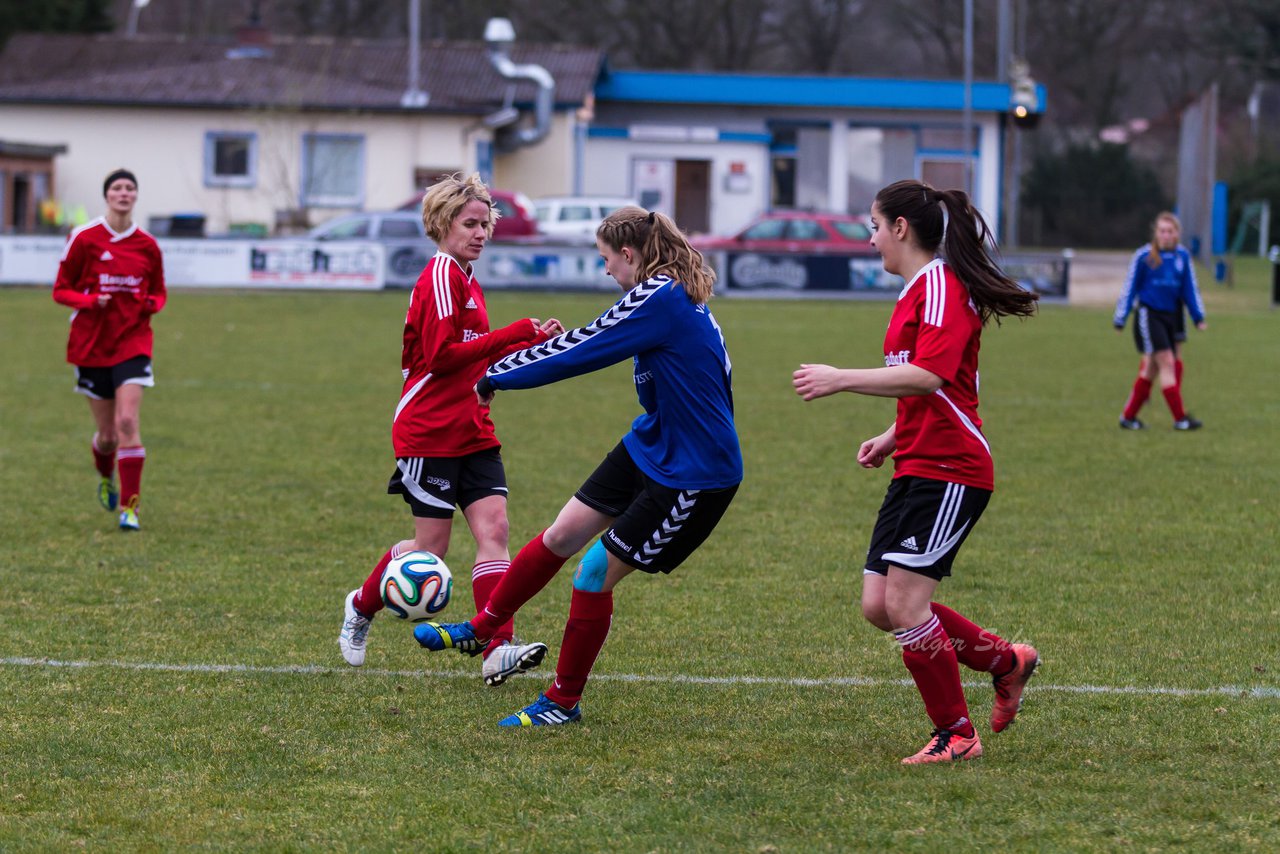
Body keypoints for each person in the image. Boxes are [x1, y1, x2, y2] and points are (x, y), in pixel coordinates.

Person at [413, 206, 742, 727]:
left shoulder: (657, 298)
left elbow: (582, 347)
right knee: (560, 535)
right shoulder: (672, 295)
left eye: (607, 260)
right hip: (653, 444)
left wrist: (497, 375)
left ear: (629, 255)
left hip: (692, 473)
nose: (607, 271)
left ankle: (563, 701)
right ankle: (483, 626)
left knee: (592, 574)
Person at [792, 179, 1040, 765]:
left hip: (953, 467)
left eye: (873, 226)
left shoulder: (941, 289)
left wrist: (840, 377)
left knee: (904, 604)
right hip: (917, 462)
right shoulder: (916, 292)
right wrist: (890, 437)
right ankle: (1006, 662)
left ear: (900, 228)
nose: (871, 238)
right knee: (880, 605)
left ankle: (957, 733)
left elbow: (929, 376)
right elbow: (937, 388)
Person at [337, 173, 564, 687]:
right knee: (430, 549)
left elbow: (475, 354)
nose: (481, 232)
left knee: (495, 532)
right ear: (443, 223)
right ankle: (361, 605)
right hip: (429, 432)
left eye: (486, 224)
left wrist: (532, 346)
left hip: (473, 428)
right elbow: (441, 359)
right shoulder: (440, 275)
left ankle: (497, 648)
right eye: (470, 223)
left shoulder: (466, 276)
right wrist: (512, 333)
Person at [52, 168, 166, 531]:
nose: (124, 193)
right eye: (117, 187)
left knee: (128, 422)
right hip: (91, 343)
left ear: (135, 196)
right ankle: (106, 475)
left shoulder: (147, 244)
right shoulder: (84, 238)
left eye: (130, 188)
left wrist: (150, 302)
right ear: (107, 196)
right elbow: (60, 290)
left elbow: (160, 292)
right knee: (108, 436)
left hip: (132, 340)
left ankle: (130, 509)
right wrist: (88, 301)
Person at [1113, 211, 1206, 430]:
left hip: (1172, 316)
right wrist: (1121, 317)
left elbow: (1189, 289)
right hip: (1149, 315)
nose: (1166, 235)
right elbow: (1130, 288)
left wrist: (1197, 316)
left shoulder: (1182, 256)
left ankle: (1128, 417)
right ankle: (1180, 419)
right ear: (1156, 233)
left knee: (1151, 370)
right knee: (1166, 361)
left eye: (1170, 231)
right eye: (1162, 231)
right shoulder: (1144, 256)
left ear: (1177, 234)